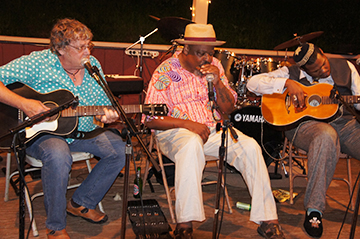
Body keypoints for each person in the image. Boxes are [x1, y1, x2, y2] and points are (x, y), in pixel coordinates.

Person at [143, 23, 285, 239]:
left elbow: (228, 109)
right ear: (186, 50)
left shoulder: (216, 66)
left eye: (210, 53)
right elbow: (150, 119)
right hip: (175, 132)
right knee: (191, 144)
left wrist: (217, 81)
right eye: (201, 54)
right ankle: (184, 225)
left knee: (250, 147)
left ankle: (268, 220)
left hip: (213, 131)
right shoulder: (166, 71)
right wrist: (188, 125)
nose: (207, 59)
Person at [0, 18, 126, 238]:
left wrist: (107, 114)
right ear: (60, 48)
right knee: (58, 155)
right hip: (42, 133)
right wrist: (24, 103)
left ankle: (81, 202)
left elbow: (105, 102)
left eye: (89, 45)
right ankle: (56, 226)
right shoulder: (37, 62)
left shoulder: (93, 65)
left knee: (118, 149)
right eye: (80, 47)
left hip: (82, 130)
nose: (87, 51)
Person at [247, 42, 360, 238]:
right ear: (305, 70)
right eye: (316, 71)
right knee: (325, 135)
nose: (324, 70)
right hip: (304, 126)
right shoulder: (289, 73)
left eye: (324, 64)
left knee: (330, 133)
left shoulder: (346, 67)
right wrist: (285, 84)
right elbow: (252, 83)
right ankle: (314, 210)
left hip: (344, 123)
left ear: (323, 53)